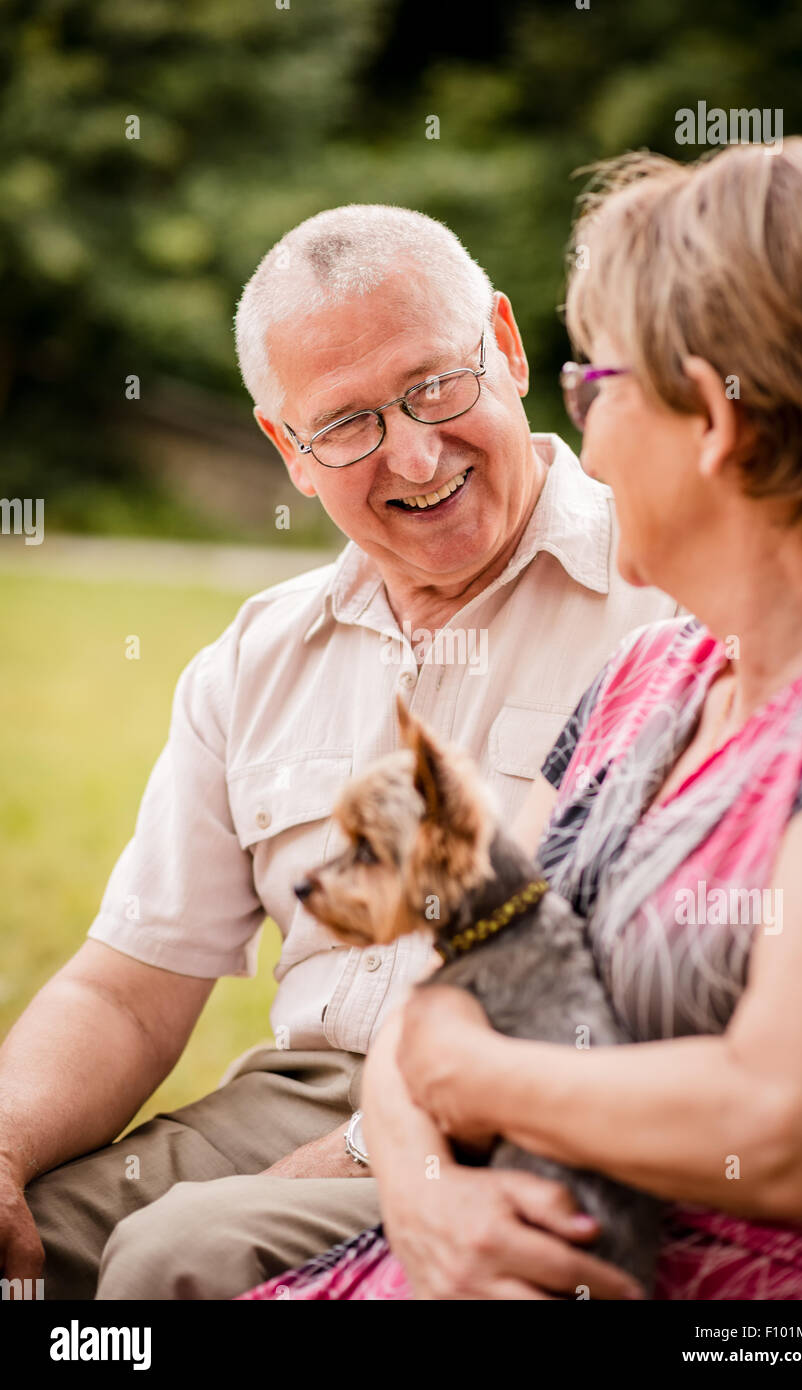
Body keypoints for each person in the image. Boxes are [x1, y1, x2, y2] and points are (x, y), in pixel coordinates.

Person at [0, 204, 675, 1300]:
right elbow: (127, 991)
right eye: (349, 424)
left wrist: (376, 1142)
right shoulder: (257, 655)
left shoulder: (667, 600)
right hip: (293, 1094)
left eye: (435, 386)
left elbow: (664, 1001)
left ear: (505, 346)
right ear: (290, 451)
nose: (415, 452)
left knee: (172, 1262)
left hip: (527, 1113)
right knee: (41, 1248)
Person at [241, 137, 802, 1301]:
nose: (573, 428)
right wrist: (429, 1195)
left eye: (595, 387)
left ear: (715, 423)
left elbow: (785, 1126)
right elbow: (444, 995)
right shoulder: (647, 677)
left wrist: (468, 1080)